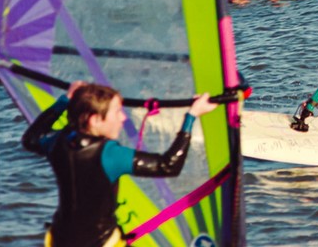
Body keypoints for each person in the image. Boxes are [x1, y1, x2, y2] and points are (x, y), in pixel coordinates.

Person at [22, 81, 217, 247]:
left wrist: (64, 101)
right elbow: (168, 165)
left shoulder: (58, 142)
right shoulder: (109, 154)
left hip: (59, 240)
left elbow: (31, 139)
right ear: (95, 120)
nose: (123, 118)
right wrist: (192, 116)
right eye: (117, 112)